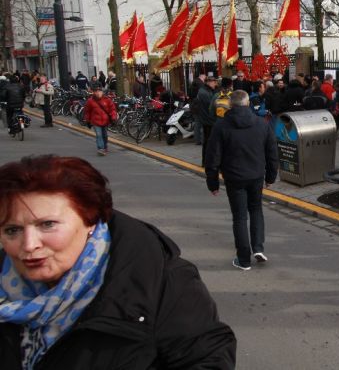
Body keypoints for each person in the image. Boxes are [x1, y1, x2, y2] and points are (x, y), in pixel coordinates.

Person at [0, 155, 237, 368]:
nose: (29, 245)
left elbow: (207, 358)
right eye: (12, 230)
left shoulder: (160, 282)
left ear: (90, 220)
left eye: (47, 224)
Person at [205, 90, 278, 271]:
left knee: (239, 216)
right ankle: (258, 247)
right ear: (247, 103)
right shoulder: (261, 124)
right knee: (256, 210)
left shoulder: (221, 126)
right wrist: (270, 177)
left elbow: (212, 157)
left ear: (230, 105)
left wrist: (212, 183)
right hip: (256, 175)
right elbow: (272, 153)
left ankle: (244, 259)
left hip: (234, 177)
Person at [83, 83, 117, 156]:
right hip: (96, 121)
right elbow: (87, 112)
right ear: (94, 92)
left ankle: (105, 146)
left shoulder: (107, 100)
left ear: (102, 92)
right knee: (99, 135)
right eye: (96, 91)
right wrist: (87, 120)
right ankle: (101, 148)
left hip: (105, 121)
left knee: (105, 135)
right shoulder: (90, 101)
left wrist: (113, 118)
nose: (98, 93)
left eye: (99, 91)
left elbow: (112, 110)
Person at [196, 76, 218, 163]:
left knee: (208, 141)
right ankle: (206, 161)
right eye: (214, 82)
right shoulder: (204, 92)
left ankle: (206, 161)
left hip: (208, 119)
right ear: (208, 82)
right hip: (208, 120)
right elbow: (212, 105)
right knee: (208, 142)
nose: (215, 84)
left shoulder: (206, 90)